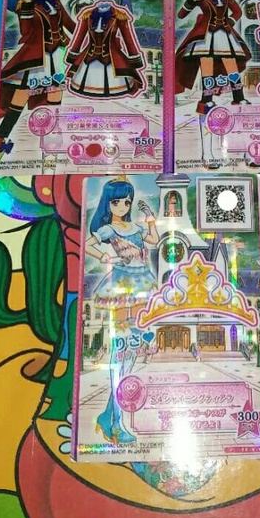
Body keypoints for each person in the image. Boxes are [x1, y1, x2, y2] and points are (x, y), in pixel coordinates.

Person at [84, 176, 158, 444]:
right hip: (122, 284)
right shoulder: (108, 229)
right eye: (117, 202)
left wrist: (150, 220)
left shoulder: (134, 227)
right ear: (108, 203)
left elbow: (153, 240)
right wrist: (106, 256)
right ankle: (116, 423)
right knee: (121, 352)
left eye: (127, 201)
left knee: (131, 353)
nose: (123, 206)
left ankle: (109, 417)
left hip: (143, 282)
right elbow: (88, 244)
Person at [0, 0, 75, 157]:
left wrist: (86, 34)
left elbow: (69, 24)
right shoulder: (24, 3)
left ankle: (52, 141)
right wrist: (28, 4)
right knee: (20, 97)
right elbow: (26, 32)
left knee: (55, 95)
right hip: (35, 58)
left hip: (56, 55)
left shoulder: (53, 0)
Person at [174, 0, 252, 165]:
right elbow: (181, 15)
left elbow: (237, 11)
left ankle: (238, 95)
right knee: (207, 66)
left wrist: (230, 21)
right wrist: (192, 0)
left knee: (231, 63)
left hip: (224, 34)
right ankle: (207, 97)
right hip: (206, 37)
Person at [65, 0, 145, 98]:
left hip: (112, 57)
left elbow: (128, 38)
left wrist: (134, 56)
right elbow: (79, 37)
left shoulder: (119, 15)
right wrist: (73, 53)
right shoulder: (87, 15)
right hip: (89, 55)